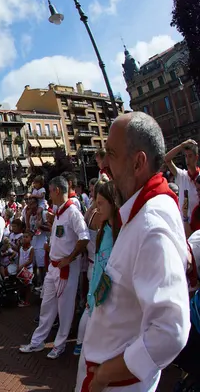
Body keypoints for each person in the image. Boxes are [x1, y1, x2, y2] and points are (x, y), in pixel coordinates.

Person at [76, 113, 190, 392]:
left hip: (116, 384)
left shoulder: (151, 225)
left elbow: (170, 331)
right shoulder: (140, 213)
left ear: (138, 162)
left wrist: (104, 375)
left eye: (111, 155)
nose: (104, 166)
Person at [20, 176, 88, 360]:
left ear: (57, 190)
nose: (48, 195)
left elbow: (84, 237)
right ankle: (37, 342)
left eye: (50, 191)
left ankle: (59, 345)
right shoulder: (58, 212)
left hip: (65, 268)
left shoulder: (73, 212)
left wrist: (70, 258)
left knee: (65, 308)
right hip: (54, 267)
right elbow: (62, 236)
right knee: (47, 306)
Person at [73, 181, 118, 357]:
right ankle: (81, 344)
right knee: (91, 311)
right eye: (97, 203)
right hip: (98, 275)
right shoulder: (103, 225)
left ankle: (82, 344)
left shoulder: (92, 215)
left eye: (101, 203)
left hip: (99, 273)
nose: (98, 208)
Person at [165, 139, 200, 228]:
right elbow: (167, 159)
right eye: (186, 156)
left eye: (190, 156)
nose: (187, 160)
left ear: (196, 157)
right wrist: (181, 145)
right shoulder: (182, 176)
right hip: (184, 226)